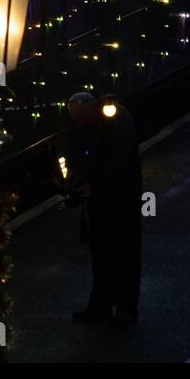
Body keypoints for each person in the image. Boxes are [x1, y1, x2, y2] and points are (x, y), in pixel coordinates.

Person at [61, 91, 142, 326]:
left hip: (121, 196)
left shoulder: (117, 120)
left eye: (82, 118)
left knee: (124, 250)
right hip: (98, 196)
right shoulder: (82, 123)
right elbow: (71, 151)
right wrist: (74, 180)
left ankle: (125, 307)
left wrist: (91, 183)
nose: (79, 123)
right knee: (101, 252)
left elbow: (121, 160)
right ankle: (102, 304)